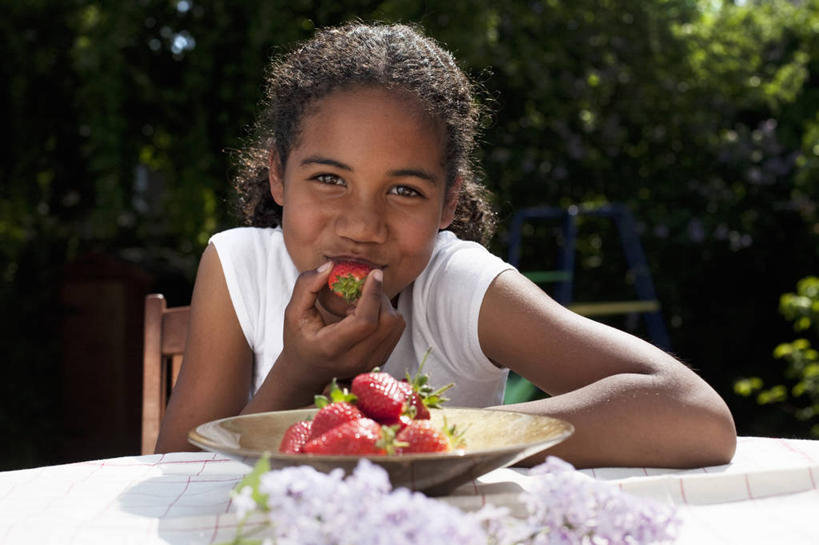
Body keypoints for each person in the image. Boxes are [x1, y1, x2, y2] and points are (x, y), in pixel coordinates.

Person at [155, 22, 736, 468]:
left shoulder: (456, 285)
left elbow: (696, 415)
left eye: (404, 190)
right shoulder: (237, 266)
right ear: (279, 176)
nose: (362, 225)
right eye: (330, 179)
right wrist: (298, 372)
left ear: (448, 204)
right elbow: (181, 476)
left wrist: (440, 438)